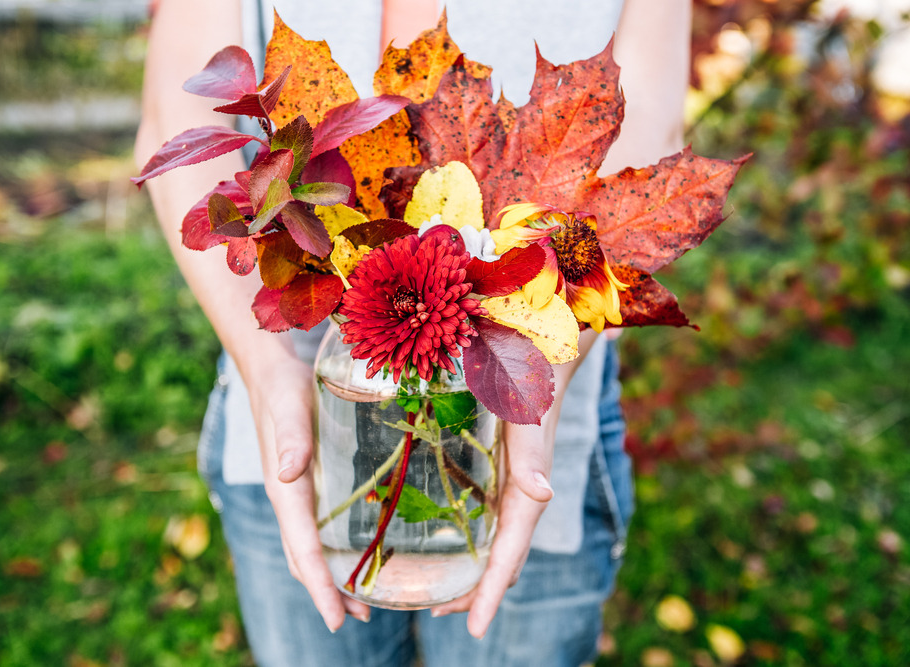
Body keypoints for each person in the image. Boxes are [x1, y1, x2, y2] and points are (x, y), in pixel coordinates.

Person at [135, 0, 690, 664]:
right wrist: (264, 369)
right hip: (291, 423)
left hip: (535, 440)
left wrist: (536, 384)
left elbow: (647, 108)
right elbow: (177, 105)